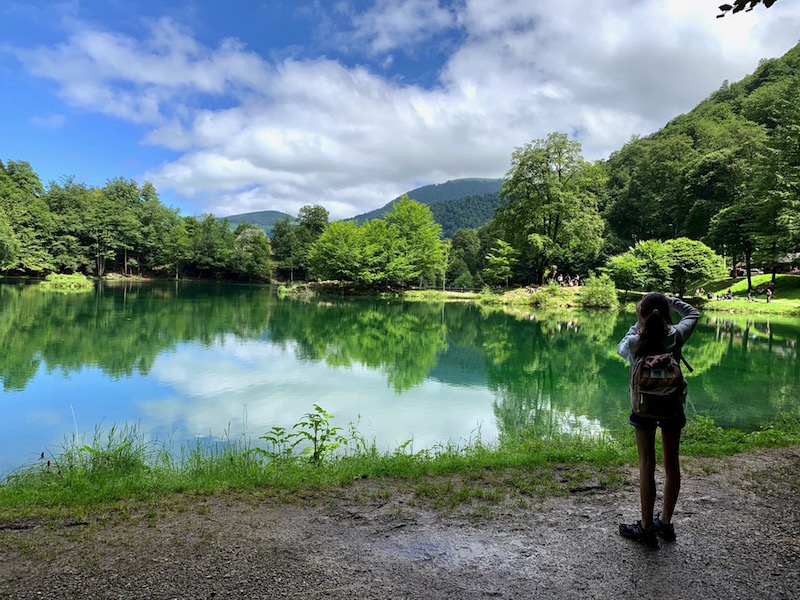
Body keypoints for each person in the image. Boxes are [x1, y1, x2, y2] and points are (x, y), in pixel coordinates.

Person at [616, 293, 700, 548]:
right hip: (672, 406)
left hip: (643, 408)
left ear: (642, 313)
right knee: (671, 464)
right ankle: (665, 522)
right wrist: (673, 301)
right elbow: (694, 314)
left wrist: (640, 322)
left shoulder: (634, 340)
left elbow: (620, 348)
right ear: (665, 313)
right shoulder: (676, 334)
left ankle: (647, 528)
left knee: (646, 464)